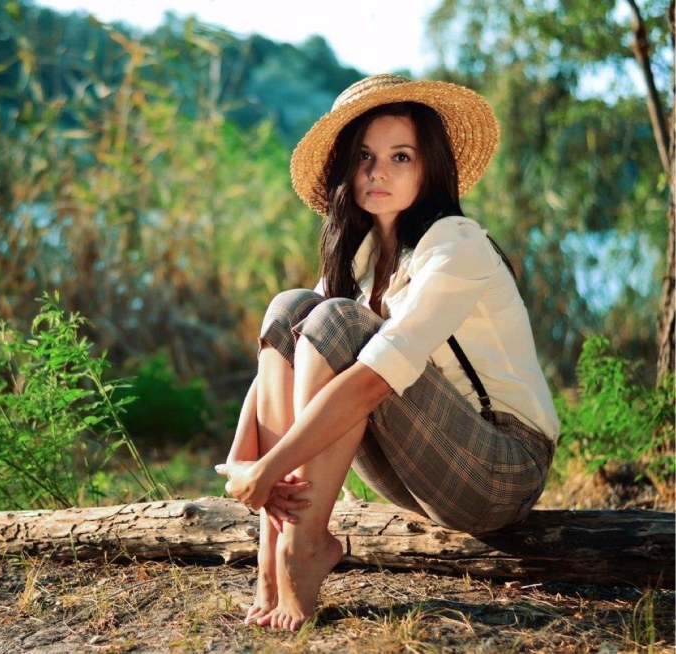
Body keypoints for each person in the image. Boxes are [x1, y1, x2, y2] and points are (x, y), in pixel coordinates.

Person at [215, 74, 559, 632]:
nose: (378, 173)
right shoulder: (365, 257)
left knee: (336, 322)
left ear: (429, 168)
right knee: (289, 308)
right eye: (365, 157)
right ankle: (274, 557)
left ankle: (303, 548)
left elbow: (376, 378)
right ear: (347, 170)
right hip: (421, 467)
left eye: (401, 157)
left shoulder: (456, 243)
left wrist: (269, 468)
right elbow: (279, 358)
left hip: (499, 470)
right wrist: (244, 460)